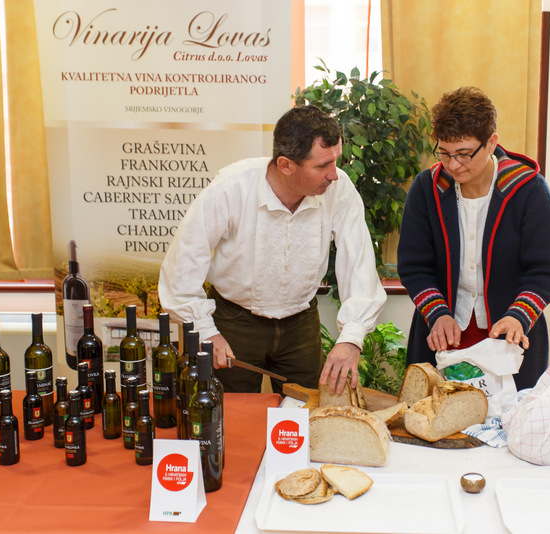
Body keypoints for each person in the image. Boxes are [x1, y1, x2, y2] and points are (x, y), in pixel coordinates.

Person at [158, 105, 386, 395]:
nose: (334, 175)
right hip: (234, 324)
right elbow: (181, 269)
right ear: (286, 165)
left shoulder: (339, 190)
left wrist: (351, 337)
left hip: (301, 327)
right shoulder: (230, 188)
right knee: (233, 414)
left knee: (305, 413)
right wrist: (206, 331)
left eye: (335, 161)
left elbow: (359, 263)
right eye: (322, 166)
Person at [397, 87, 550, 390]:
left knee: (512, 415)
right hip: (443, 333)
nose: (453, 164)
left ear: (491, 142)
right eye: (444, 152)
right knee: (434, 413)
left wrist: (519, 316)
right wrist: (437, 313)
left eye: (464, 154)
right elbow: (414, 266)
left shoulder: (528, 189)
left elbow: (545, 270)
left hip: (508, 334)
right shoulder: (426, 189)